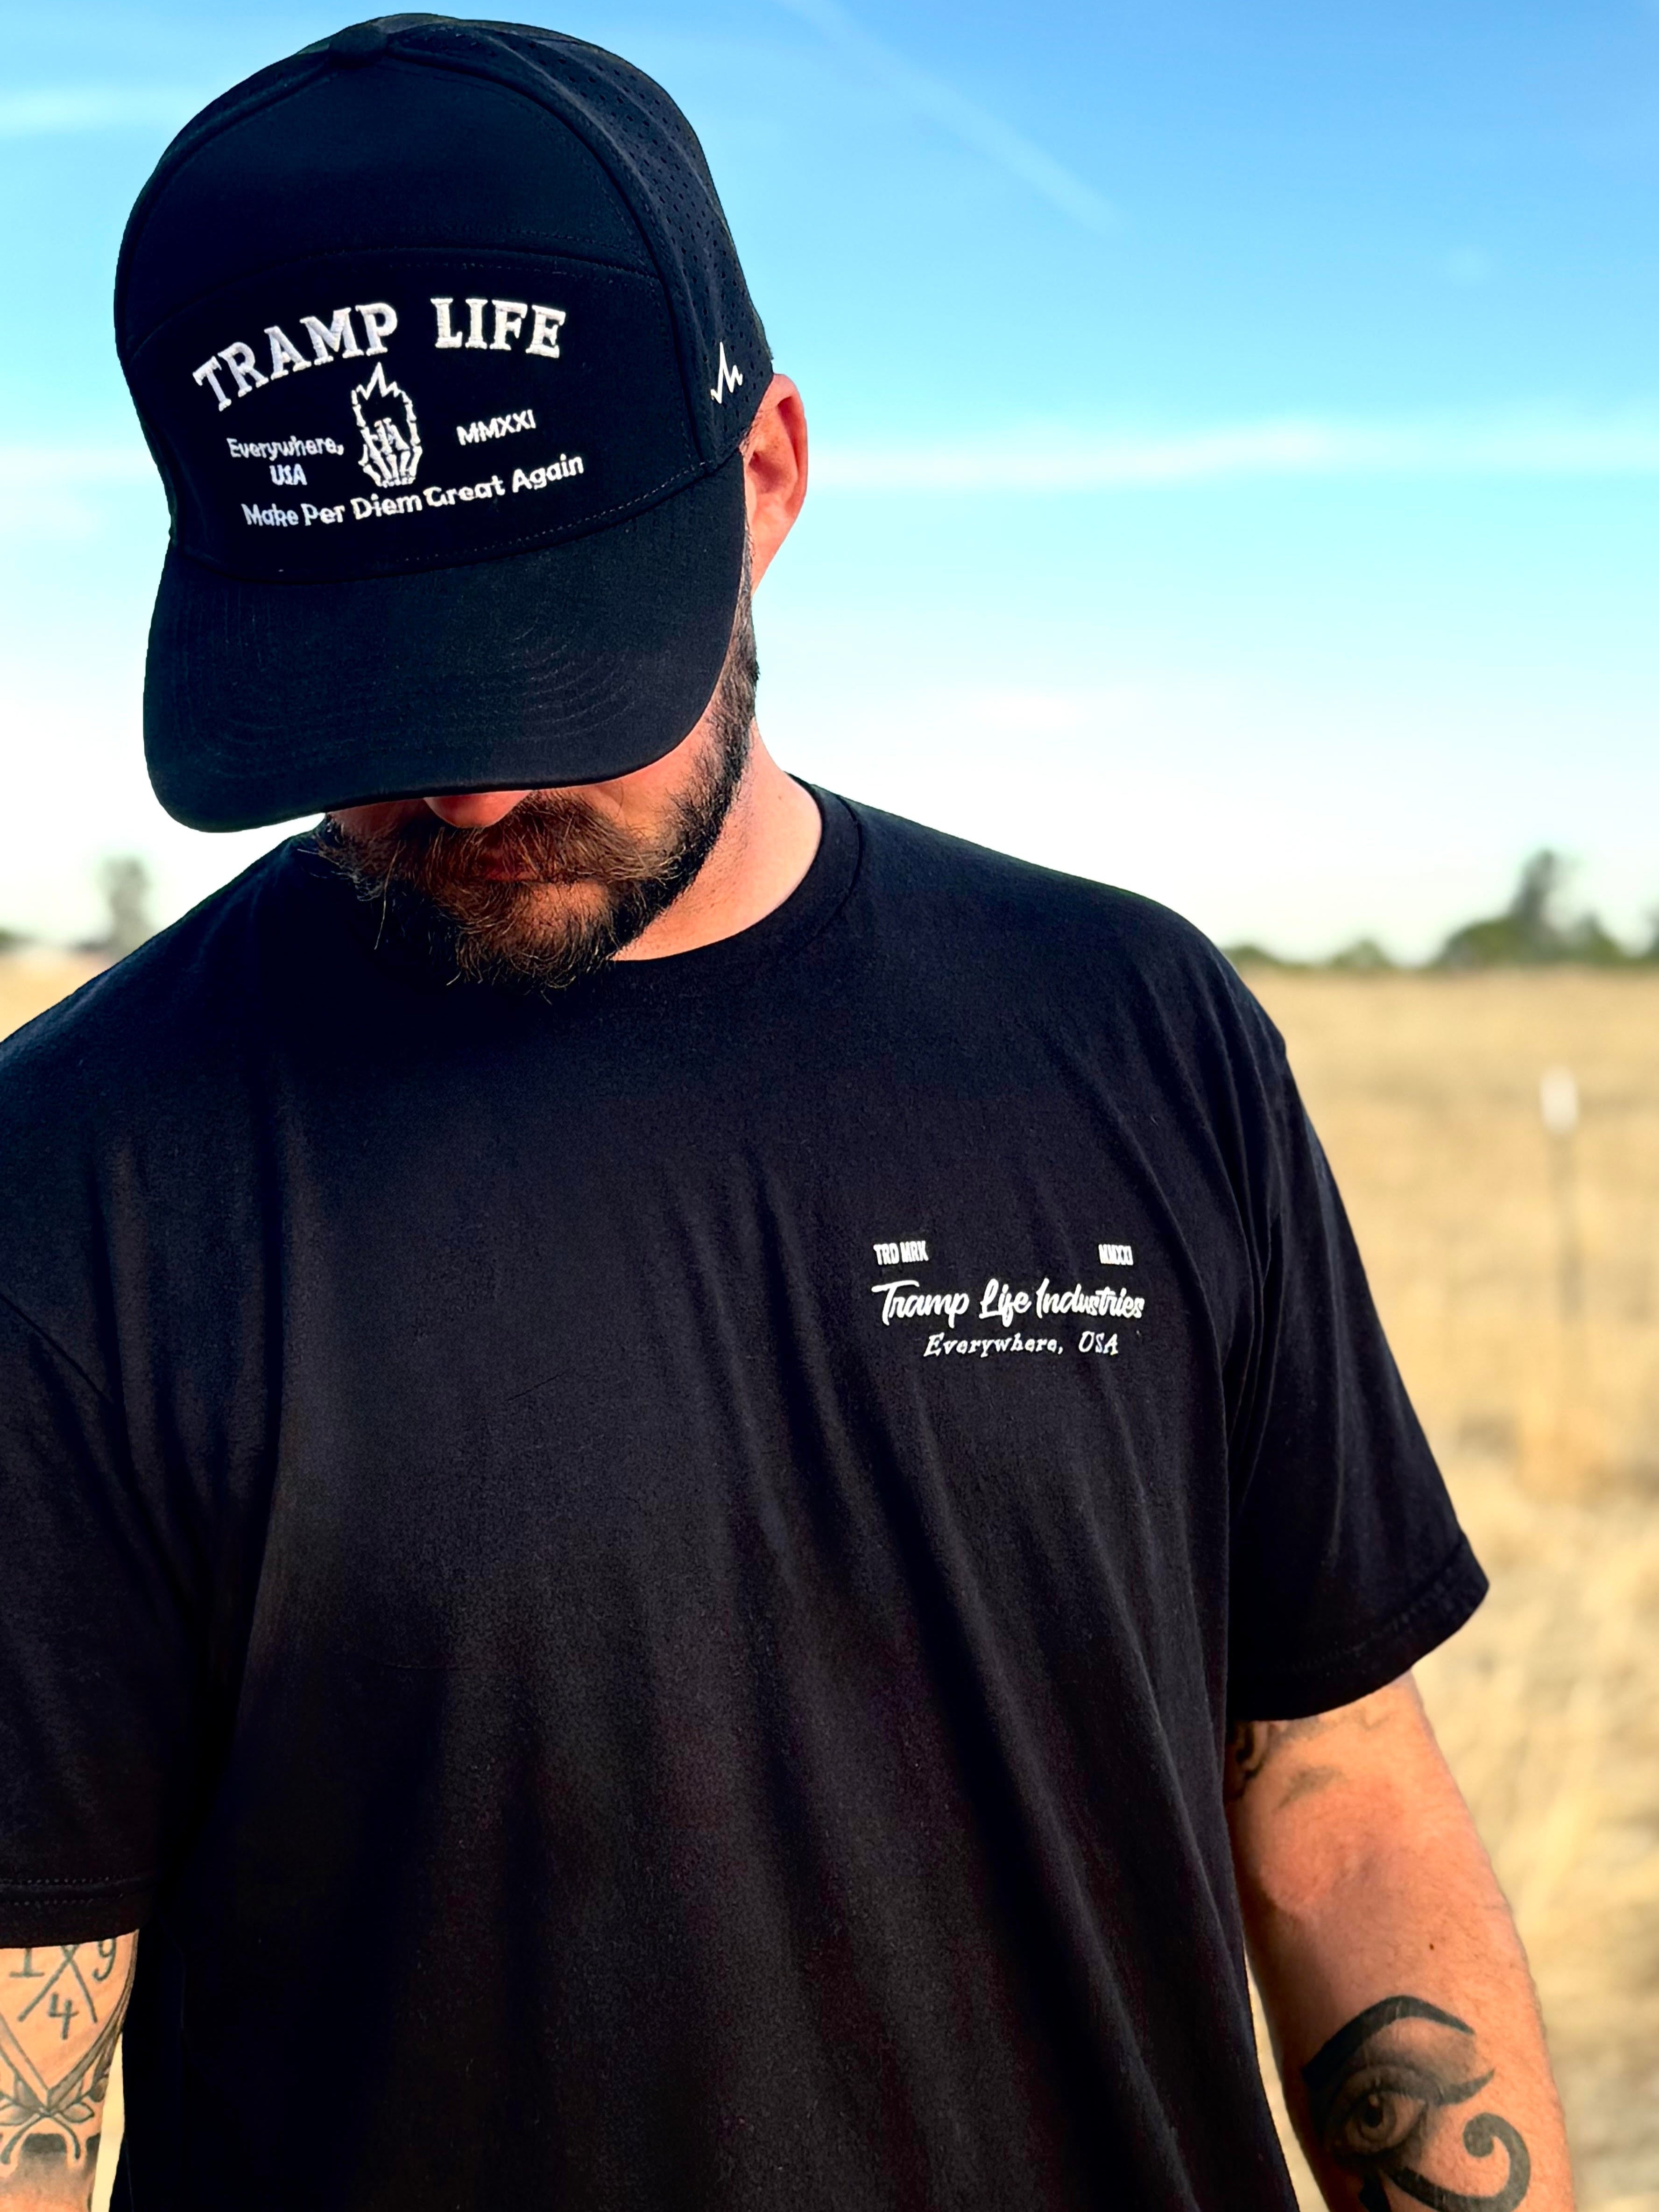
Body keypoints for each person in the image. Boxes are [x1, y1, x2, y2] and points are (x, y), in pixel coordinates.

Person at [0, 19, 1571, 2212]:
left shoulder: (1125, 1023)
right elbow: (23, 2041)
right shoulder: (79, 1178)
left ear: (766, 482)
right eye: (378, 691)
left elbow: (1325, 1781)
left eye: (549, 666)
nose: (466, 784)